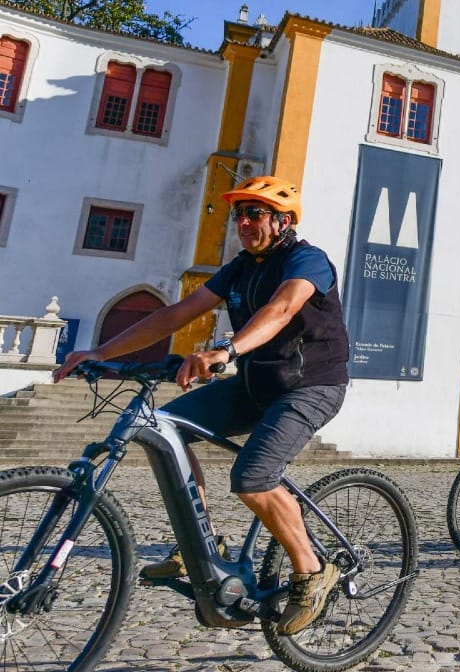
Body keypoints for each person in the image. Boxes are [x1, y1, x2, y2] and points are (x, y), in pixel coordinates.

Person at [54, 175, 349, 635]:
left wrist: (227, 351)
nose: (243, 222)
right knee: (167, 427)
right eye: (239, 214)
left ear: (283, 221)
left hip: (310, 386)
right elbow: (175, 313)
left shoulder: (307, 260)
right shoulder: (241, 266)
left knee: (253, 478)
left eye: (255, 213)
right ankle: (202, 544)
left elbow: (282, 310)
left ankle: (312, 571)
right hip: (255, 385)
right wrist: (99, 352)